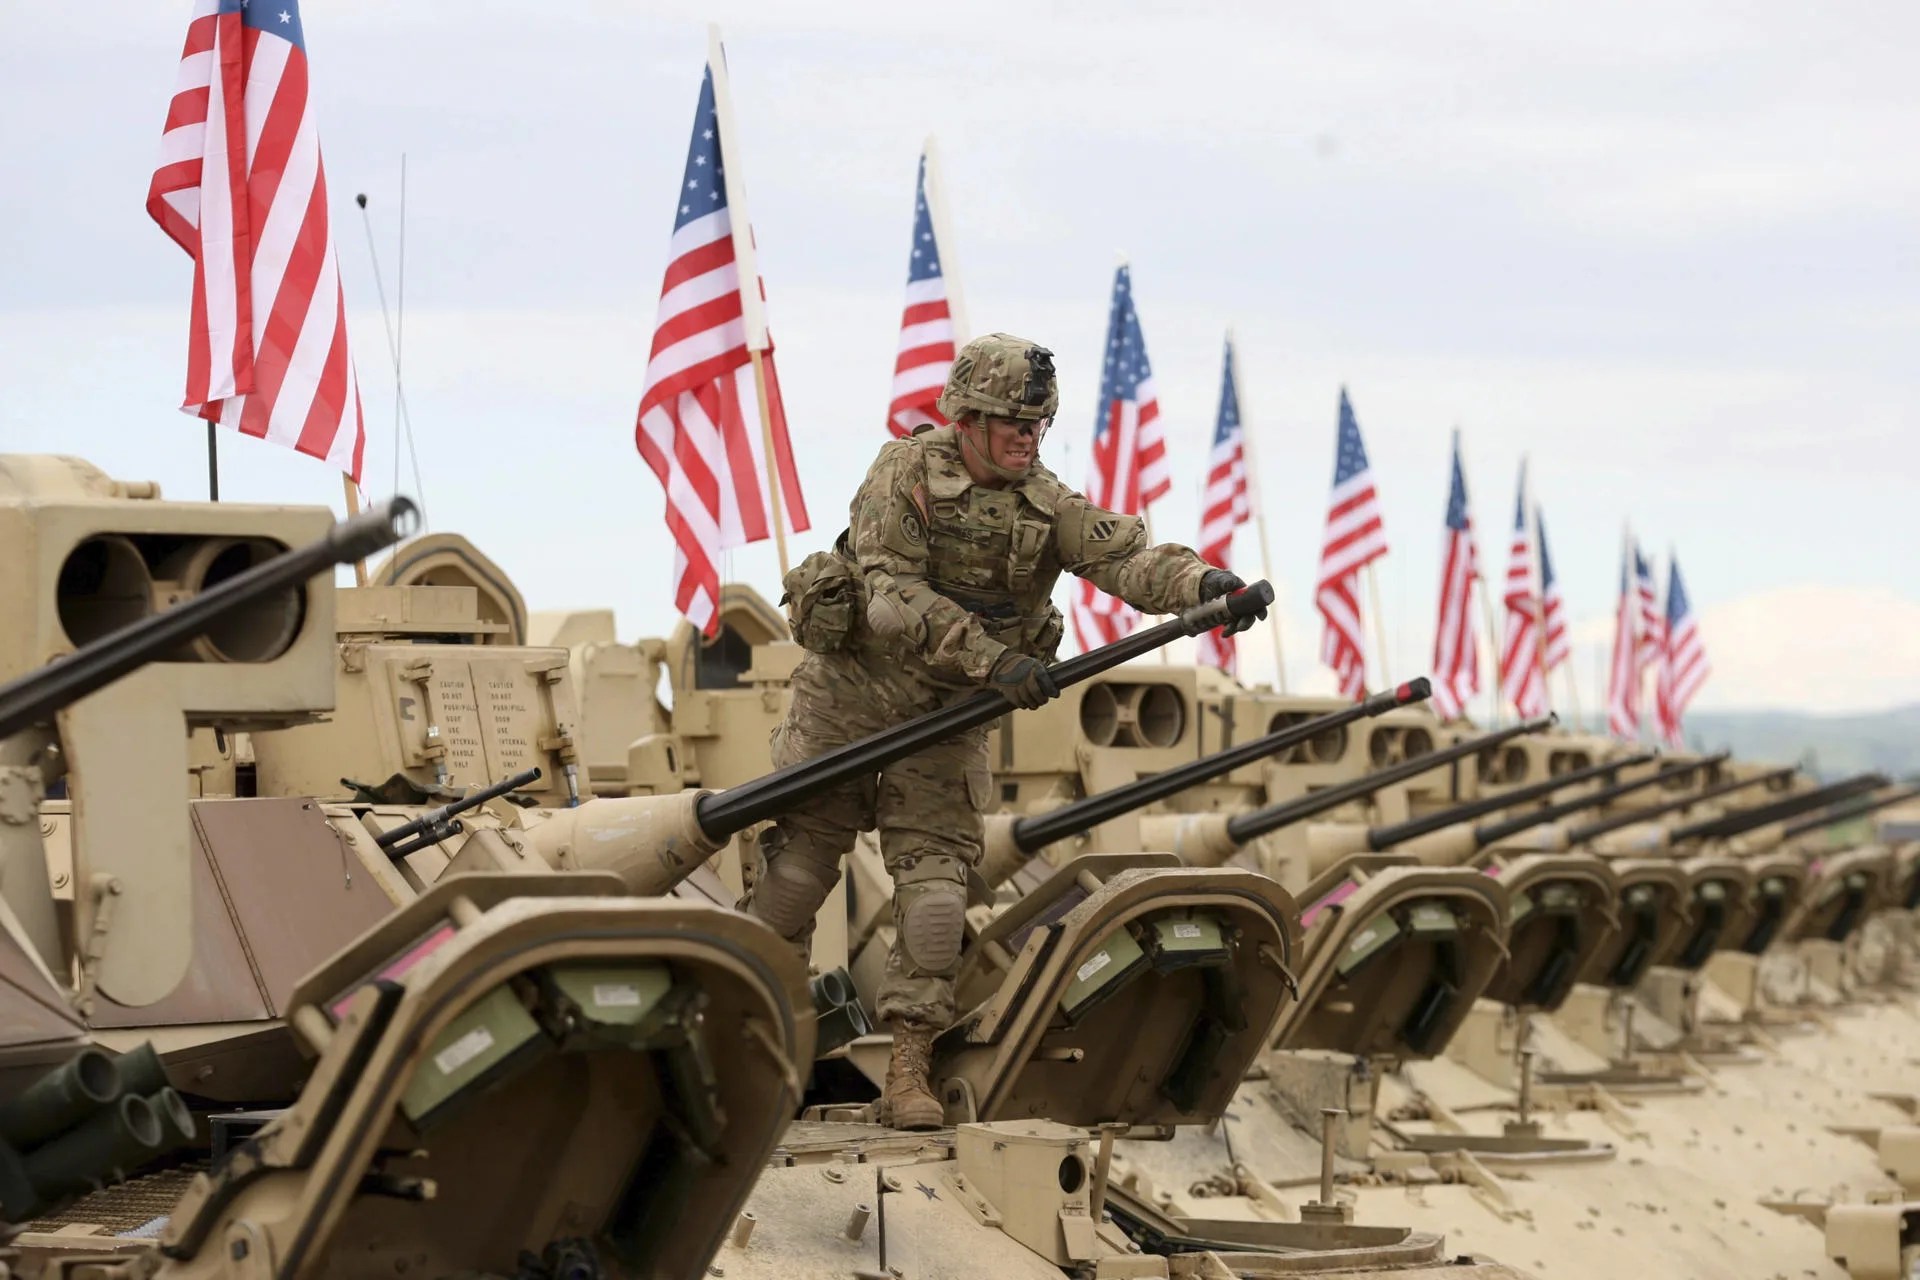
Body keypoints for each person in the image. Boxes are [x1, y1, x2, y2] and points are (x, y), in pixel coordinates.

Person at [742, 331, 1262, 1129]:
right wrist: (995, 660)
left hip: (950, 718)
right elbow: (888, 595)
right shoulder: (903, 473)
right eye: (1012, 422)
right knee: (798, 876)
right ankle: (746, 1047)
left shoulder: (1045, 502)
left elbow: (1123, 561)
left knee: (937, 898)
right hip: (849, 699)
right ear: (968, 419)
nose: (1028, 437)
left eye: (1038, 425)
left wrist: (1206, 586)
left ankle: (907, 1071)